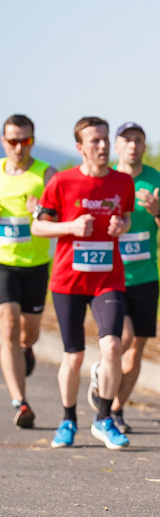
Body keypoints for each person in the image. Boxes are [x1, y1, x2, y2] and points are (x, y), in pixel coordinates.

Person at [31, 116, 135, 449]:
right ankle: (67, 420)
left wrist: (122, 226)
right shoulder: (61, 182)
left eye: (105, 139)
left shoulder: (122, 182)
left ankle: (104, 419)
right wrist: (70, 227)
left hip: (108, 279)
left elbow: (127, 216)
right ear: (80, 147)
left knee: (113, 346)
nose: (103, 146)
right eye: (95, 141)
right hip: (69, 281)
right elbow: (38, 228)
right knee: (74, 356)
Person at [86, 122, 160, 434]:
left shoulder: (159, 181)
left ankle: (114, 409)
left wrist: (156, 211)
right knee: (121, 339)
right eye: (126, 140)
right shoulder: (107, 179)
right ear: (116, 145)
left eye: (138, 140)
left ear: (144, 145)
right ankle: (103, 370)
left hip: (145, 275)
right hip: (111, 276)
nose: (132, 146)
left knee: (137, 348)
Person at [0, 115, 57, 428]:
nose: (18, 147)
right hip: (3, 263)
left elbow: (62, 213)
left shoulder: (45, 173)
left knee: (28, 331)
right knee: (7, 325)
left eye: (25, 140)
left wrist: (40, 210)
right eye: (12, 140)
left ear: (32, 140)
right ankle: (20, 402)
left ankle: (26, 349)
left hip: (35, 264)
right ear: (3, 140)